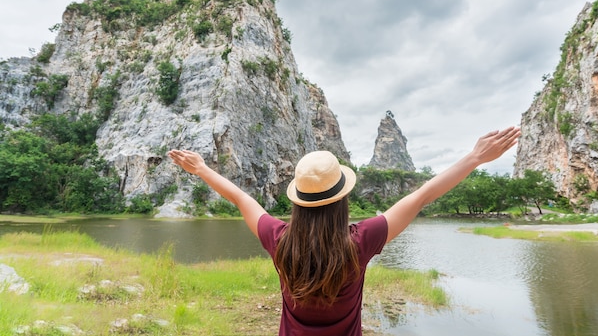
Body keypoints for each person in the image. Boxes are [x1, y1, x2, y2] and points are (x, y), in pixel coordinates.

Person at [168, 126, 521, 335]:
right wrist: (475, 158)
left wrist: (201, 169)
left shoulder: (279, 239)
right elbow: (422, 196)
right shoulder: (361, 241)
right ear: (342, 199)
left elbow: (241, 198)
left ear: (298, 201)